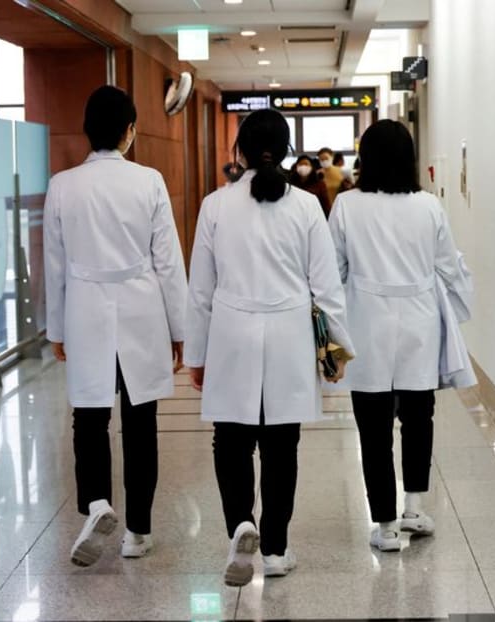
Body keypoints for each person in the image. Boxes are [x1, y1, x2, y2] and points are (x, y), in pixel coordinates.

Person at [184, 109, 355, 586]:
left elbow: (200, 289)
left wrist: (197, 355)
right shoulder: (306, 206)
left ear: (239, 151)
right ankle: (276, 549)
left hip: (231, 334)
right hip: (289, 335)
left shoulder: (215, 205)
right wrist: (336, 350)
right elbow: (327, 288)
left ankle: (240, 523)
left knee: (231, 438)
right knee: (281, 444)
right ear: (283, 151)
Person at [44, 85, 188, 567]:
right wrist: (180, 328)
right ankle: (137, 533)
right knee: (140, 420)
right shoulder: (149, 181)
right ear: (130, 130)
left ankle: (97, 504)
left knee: (89, 416)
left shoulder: (63, 185)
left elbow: (55, 264)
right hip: (141, 308)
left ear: (87, 130)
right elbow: (167, 261)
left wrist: (56, 328)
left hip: (85, 307)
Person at [328, 119, 473, 552]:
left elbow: (333, 270)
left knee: (372, 427)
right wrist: (458, 308)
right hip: (419, 321)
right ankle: (414, 507)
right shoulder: (428, 205)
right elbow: (449, 266)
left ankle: (386, 525)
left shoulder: (347, 205)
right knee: (418, 417)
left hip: (365, 321)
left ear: (366, 158)